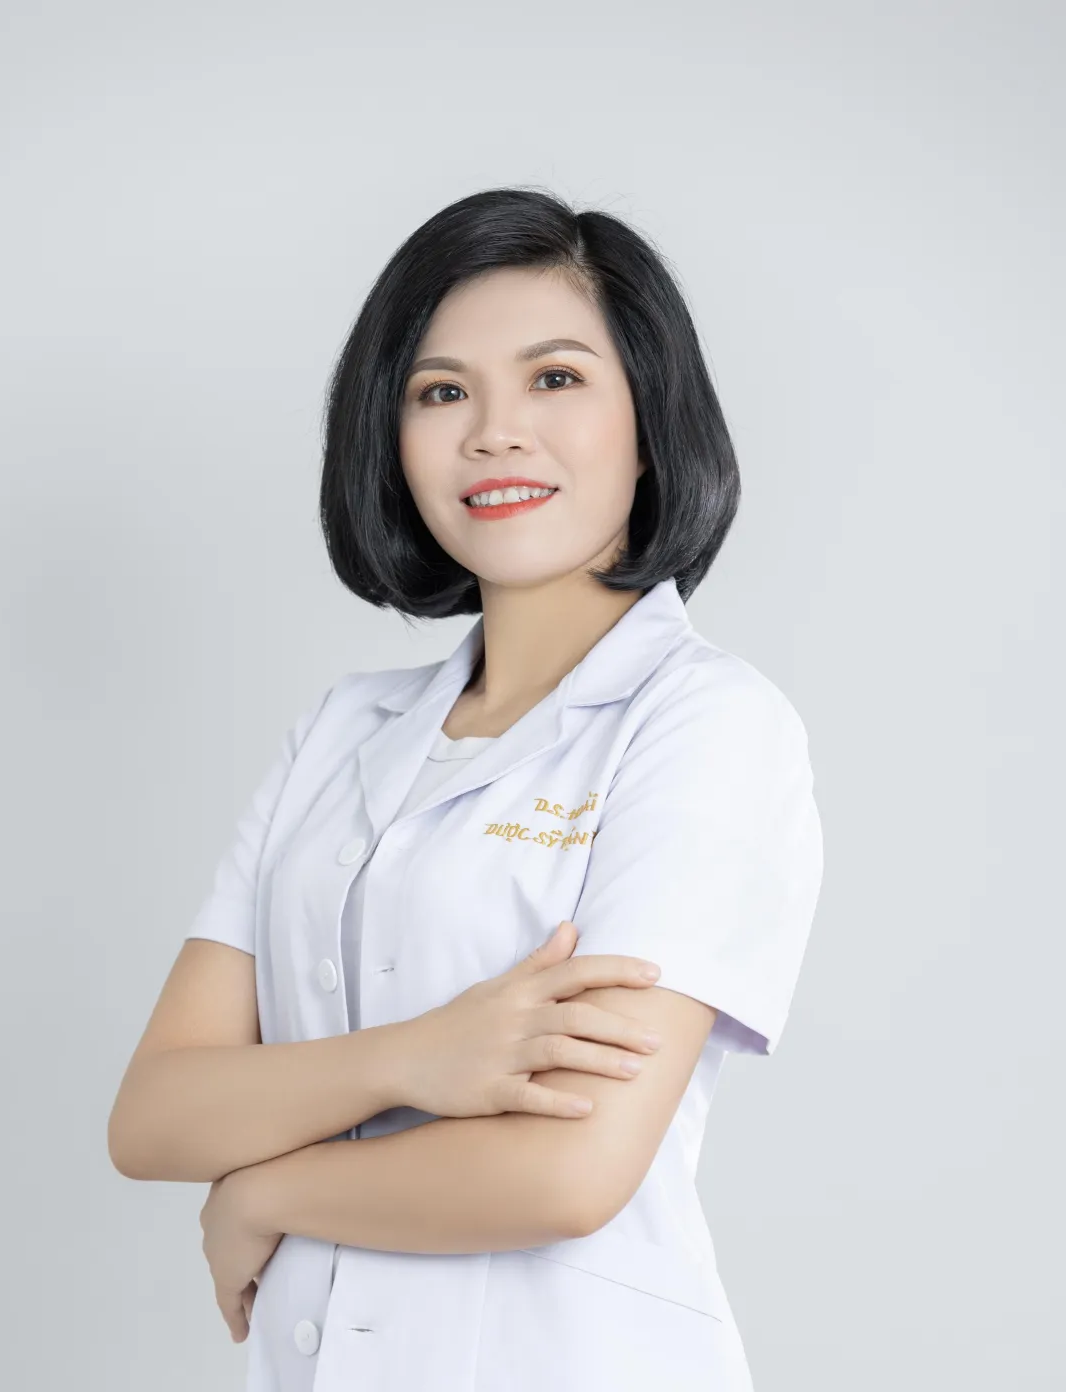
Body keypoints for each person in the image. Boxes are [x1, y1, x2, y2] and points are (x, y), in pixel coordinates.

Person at [108, 186, 824, 1391]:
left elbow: (567, 1172)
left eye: (555, 379)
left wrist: (265, 1190)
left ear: (650, 423)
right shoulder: (342, 731)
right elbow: (154, 1115)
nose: (495, 433)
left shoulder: (708, 724)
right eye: (442, 393)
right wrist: (420, 1057)